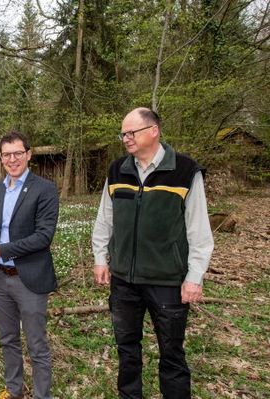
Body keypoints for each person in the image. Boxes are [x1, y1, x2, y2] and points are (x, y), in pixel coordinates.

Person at [92, 107, 214, 398]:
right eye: (123, 133)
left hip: (168, 282)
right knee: (127, 351)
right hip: (124, 282)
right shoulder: (116, 169)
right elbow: (104, 219)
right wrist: (100, 258)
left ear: (153, 131)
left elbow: (199, 230)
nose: (125, 138)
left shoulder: (185, 171)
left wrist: (194, 276)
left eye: (131, 132)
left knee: (171, 354)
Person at [0, 131, 59, 399]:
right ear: (1, 158)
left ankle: (41, 395)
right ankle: (13, 391)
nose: (12, 159)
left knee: (36, 344)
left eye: (18, 153)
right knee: (8, 339)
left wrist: (2, 250)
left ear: (28, 155)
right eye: (7, 154)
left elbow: (43, 237)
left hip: (29, 278)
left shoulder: (45, 189)